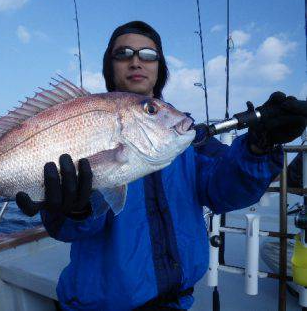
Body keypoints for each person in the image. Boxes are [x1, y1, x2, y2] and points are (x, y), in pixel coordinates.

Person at [15, 21, 307, 310]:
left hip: (177, 304)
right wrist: (74, 210)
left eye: (148, 54)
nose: (135, 61)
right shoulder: (86, 125)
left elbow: (226, 192)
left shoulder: (188, 137)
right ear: (110, 67)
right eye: (123, 53)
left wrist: (259, 146)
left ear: (160, 68)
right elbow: (66, 231)